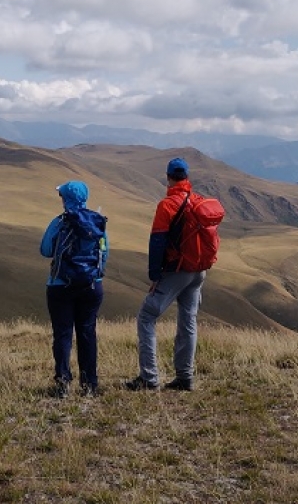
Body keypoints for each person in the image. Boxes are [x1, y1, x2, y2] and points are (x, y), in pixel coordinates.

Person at [126, 158, 206, 392]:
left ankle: (149, 378)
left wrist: (155, 274)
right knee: (188, 321)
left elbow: (158, 241)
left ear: (168, 177)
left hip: (177, 270)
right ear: (187, 177)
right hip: (198, 270)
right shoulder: (198, 201)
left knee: (147, 316)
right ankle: (185, 377)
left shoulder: (168, 205)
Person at [40, 180, 108, 398]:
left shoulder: (59, 222)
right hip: (91, 286)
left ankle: (63, 383)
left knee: (63, 333)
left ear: (66, 199)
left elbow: (45, 250)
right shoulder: (97, 222)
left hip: (61, 286)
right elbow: (104, 253)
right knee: (87, 332)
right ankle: (90, 385)